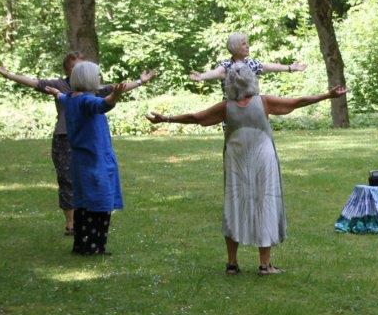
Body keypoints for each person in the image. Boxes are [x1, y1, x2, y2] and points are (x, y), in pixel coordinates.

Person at [146, 64, 347, 275]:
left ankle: (232, 264)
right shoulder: (263, 102)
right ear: (252, 80)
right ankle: (264, 265)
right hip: (263, 158)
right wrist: (327, 96)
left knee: (234, 205)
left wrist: (166, 118)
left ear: (229, 84)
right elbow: (297, 102)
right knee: (265, 203)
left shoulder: (226, 106)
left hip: (236, 159)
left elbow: (196, 118)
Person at [0, 54, 156, 235]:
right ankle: (73, 224)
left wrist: (140, 81)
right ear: (68, 70)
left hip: (86, 141)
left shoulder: (90, 90)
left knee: (88, 179)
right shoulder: (62, 87)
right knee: (68, 180)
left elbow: (117, 89)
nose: (80, 70)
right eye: (76, 67)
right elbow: (33, 82)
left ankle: (86, 222)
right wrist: (9, 75)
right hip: (66, 138)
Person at [41, 62, 130, 255]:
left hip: (80, 159)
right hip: (96, 159)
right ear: (89, 79)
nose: (99, 79)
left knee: (82, 202)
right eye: (97, 76)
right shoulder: (86, 101)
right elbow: (102, 105)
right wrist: (115, 95)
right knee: (100, 202)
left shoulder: (71, 99)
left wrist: (55, 93)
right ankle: (94, 247)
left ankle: (81, 245)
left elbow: (62, 97)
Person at [189, 32, 307, 94]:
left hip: (252, 108)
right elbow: (216, 73)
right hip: (232, 110)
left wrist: (291, 68)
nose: (248, 46)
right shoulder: (227, 65)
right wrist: (202, 76)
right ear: (235, 47)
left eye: (247, 43)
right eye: (244, 44)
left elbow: (269, 66)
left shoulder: (252, 64)